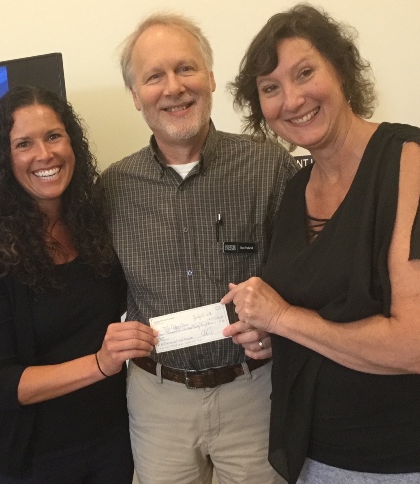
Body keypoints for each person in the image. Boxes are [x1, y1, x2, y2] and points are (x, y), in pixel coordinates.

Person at [222, 4, 420, 484]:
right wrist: (272, 335)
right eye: (270, 88)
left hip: (406, 462)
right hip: (313, 455)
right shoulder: (295, 189)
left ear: (340, 69)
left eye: (305, 73)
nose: (292, 99)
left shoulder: (412, 160)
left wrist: (283, 318)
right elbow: (318, 316)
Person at [99, 13, 297, 484]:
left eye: (185, 68)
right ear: (136, 95)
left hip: (253, 392)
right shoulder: (112, 188)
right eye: (154, 76)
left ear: (209, 76)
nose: (173, 87)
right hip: (157, 399)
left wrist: (280, 330)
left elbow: (304, 275)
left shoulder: (269, 166)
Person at [0, 85, 157, 483]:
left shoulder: (95, 223)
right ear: (5, 158)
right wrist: (100, 364)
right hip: (32, 458)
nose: (44, 154)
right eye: (24, 143)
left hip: (113, 442)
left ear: (71, 143)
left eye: (53, 136)